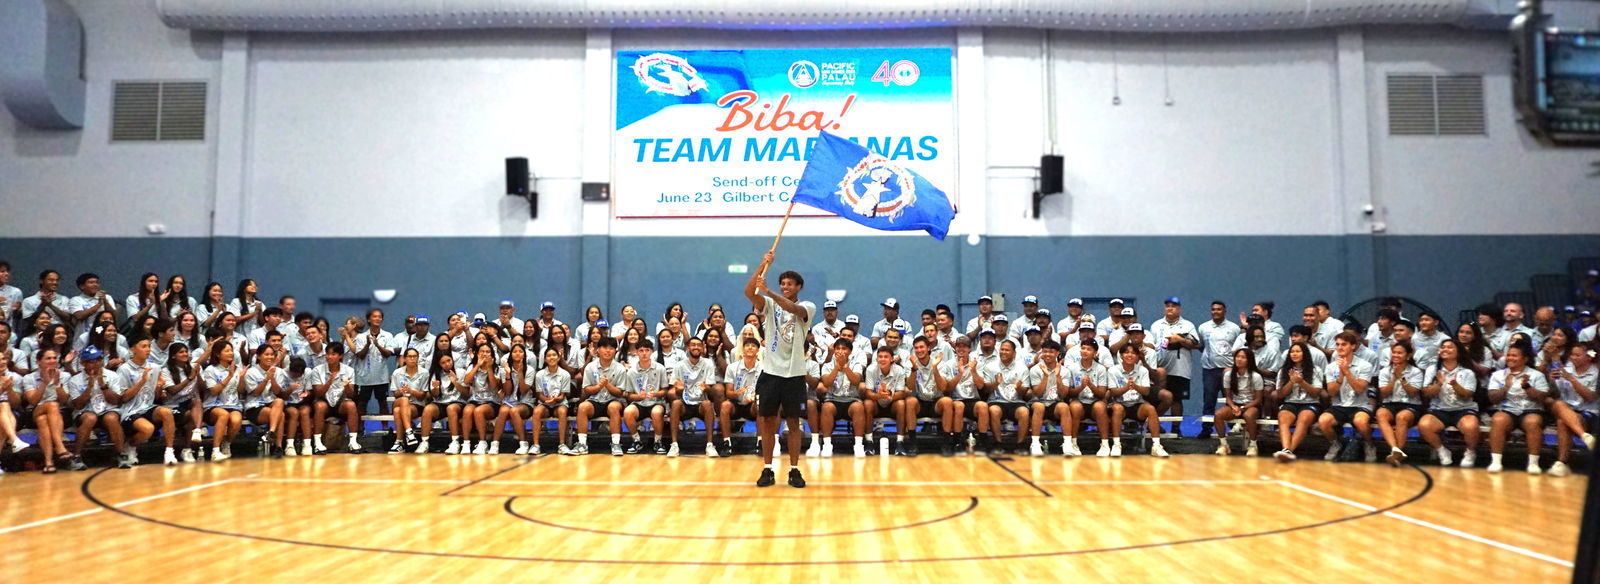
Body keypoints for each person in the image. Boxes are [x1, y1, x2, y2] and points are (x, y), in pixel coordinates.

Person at [744, 251, 813, 488]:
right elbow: (749, 292)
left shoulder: (807, 306)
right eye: (782, 283)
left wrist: (769, 291)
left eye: (789, 284)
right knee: (768, 422)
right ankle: (767, 468)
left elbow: (793, 310)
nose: (785, 287)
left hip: (794, 374)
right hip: (771, 373)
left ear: (798, 287)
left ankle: (794, 469)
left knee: (794, 423)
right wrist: (763, 264)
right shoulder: (769, 305)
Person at [1417, 338, 1481, 468]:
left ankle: (1470, 452)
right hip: (1439, 409)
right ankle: (1442, 450)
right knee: (1424, 425)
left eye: (1450, 347)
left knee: (1471, 426)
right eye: (1443, 347)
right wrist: (1439, 383)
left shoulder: (1467, 372)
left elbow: (1467, 395)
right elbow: (1426, 393)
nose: (1445, 349)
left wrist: (1455, 385)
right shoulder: (1432, 369)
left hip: (1463, 409)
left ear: (1458, 352)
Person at [1486, 344, 1549, 474]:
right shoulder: (1498, 375)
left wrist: (1527, 387)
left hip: (1531, 410)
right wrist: (1505, 387)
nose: (1510, 358)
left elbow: (1542, 398)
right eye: (1508, 355)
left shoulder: (1536, 375)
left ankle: (1533, 463)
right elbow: (1492, 398)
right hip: (1507, 410)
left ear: (1525, 359)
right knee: (1498, 419)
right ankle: (1496, 462)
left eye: (1514, 355)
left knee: (1532, 422)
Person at [1317, 332, 1378, 463]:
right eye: (1337, 344)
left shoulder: (1365, 365)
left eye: (1344, 344)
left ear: (1353, 346)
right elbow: (1331, 393)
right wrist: (1340, 375)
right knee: (1323, 421)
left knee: (1361, 421)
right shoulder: (1331, 367)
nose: (1339, 347)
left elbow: (1360, 389)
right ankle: (1335, 444)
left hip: (1361, 404)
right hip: (1339, 404)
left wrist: (1347, 372)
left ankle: (1369, 444)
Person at [1546, 343, 1597, 477]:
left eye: (1577, 355)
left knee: (1562, 421)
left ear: (1589, 357)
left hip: (1588, 413)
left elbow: (1590, 397)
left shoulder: (1596, 373)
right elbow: (1555, 393)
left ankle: (1562, 463)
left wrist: (1571, 379)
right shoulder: (1566, 369)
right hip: (1567, 409)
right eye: (1572, 354)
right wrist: (1552, 381)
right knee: (1559, 405)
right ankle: (1584, 437)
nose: (1573, 358)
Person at [1149, 297, 1199, 434]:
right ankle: (1154, 425)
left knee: (1177, 400)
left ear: (1179, 309)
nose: (1170, 308)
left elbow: (1194, 344)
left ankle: (1176, 429)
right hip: (1160, 368)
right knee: (1158, 398)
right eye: (1167, 306)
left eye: (1174, 306)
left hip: (1180, 368)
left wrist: (1180, 339)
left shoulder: (1188, 325)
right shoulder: (1156, 325)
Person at [65, 346, 120, 471]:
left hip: (108, 409)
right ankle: (77, 456)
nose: (96, 364)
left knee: (111, 418)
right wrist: (89, 387)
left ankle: (121, 454)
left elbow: (116, 401)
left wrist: (103, 385)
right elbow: (78, 405)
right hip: (85, 412)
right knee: (90, 417)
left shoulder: (112, 376)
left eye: (98, 360)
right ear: (83, 363)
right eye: (91, 361)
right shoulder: (75, 380)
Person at [1374, 340, 1425, 466]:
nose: (1396, 355)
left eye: (1399, 353)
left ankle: (1398, 453)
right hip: (1390, 403)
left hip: (1411, 405)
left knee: (1401, 417)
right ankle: (1395, 450)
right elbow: (1384, 393)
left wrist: (1401, 378)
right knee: (1381, 414)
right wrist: (1393, 378)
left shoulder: (1415, 372)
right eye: (1394, 353)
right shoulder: (1385, 371)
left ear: (1408, 356)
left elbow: (1413, 393)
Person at [1272, 342, 1325, 462]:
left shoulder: (1315, 370)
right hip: (1290, 402)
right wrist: (1291, 382)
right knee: (1283, 418)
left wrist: (1301, 382)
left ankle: (1288, 450)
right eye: (1292, 351)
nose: (1294, 354)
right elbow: (1280, 394)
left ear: (1304, 353)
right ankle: (1286, 450)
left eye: (1298, 351)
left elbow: (1316, 393)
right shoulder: (1283, 370)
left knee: (1304, 419)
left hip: (1310, 403)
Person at [576, 336, 627, 456]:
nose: (608, 351)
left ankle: (616, 444)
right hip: (596, 399)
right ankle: (582, 444)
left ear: (616, 351)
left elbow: (620, 392)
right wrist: (599, 387)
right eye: (604, 347)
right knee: (583, 407)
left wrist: (607, 385)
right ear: (598, 350)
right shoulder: (590, 367)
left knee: (613, 407)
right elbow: (586, 389)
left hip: (614, 400)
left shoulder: (620, 368)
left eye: (611, 348)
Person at [669, 336, 718, 458]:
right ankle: (674, 444)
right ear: (687, 348)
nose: (695, 347)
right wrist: (678, 391)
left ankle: (710, 445)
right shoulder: (679, 365)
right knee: (675, 404)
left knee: (707, 404)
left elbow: (711, 391)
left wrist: (706, 388)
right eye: (693, 345)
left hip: (701, 403)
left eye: (698, 345)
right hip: (685, 404)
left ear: (702, 347)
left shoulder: (708, 363)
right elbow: (671, 391)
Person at [310, 342, 360, 454]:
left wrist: (347, 386)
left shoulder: (349, 370)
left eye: (333, 354)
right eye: (327, 354)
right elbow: (318, 393)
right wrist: (329, 381)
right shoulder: (317, 370)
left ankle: (353, 442)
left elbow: (351, 395)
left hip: (340, 403)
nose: (329, 357)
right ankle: (318, 443)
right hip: (325, 402)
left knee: (351, 405)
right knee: (319, 406)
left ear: (340, 356)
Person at [1212, 348, 1263, 456]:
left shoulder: (1256, 376)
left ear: (1249, 360)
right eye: (1237, 357)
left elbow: (1258, 399)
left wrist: (1243, 408)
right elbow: (1228, 397)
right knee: (1218, 415)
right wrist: (1233, 406)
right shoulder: (1228, 375)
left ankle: (1253, 445)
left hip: (1251, 405)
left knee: (1249, 416)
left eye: (1243, 357)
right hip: (1234, 404)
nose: (1239, 359)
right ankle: (1224, 445)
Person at [200, 340, 245, 461]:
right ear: (218, 354)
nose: (231, 353)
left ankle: (227, 443)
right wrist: (229, 376)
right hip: (213, 405)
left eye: (231, 350)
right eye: (227, 351)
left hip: (233, 404)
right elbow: (214, 391)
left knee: (236, 420)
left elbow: (240, 390)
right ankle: (215, 450)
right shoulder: (211, 370)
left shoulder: (237, 368)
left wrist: (240, 378)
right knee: (223, 415)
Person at [622, 338, 670, 454]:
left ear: (652, 352)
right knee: (628, 412)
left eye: (647, 350)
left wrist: (656, 394)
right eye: (641, 350)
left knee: (656, 412)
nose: (644, 353)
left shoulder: (660, 368)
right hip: (639, 403)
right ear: (636, 352)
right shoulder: (632, 372)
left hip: (656, 402)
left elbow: (665, 390)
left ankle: (658, 441)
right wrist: (639, 396)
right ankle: (637, 440)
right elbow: (628, 395)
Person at [243, 345, 288, 458]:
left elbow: (277, 392)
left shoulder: (279, 371)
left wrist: (272, 377)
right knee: (281, 415)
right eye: (266, 354)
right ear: (258, 356)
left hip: (271, 403)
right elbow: (256, 393)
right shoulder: (251, 372)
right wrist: (266, 378)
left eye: (272, 354)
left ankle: (271, 432)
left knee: (279, 401)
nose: (270, 357)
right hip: (255, 406)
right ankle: (278, 447)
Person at [1026, 340, 1069, 457]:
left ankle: (1067, 443)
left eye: (1051, 352)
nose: (1047, 354)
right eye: (1045, 351)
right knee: (1039, 406)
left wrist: (1058, 376)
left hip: (1055, 403)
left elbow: (1063, 395)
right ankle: (1035, 443)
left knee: (1064, 407)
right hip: (1037, 402)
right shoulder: (1035, 369)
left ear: (1057, 353)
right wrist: (1045, 376)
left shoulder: (1064, 371)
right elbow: (1038, 394)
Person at [419, 352, 466, 454]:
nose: (447, 364)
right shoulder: (435, 374)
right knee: (428, 409)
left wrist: (455, 382)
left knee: (451, 408)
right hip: (440, 403)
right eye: (443, 362)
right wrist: (435, 389)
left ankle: (455, 442)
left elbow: (466, 393)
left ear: (452, 360)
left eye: (449, 360)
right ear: (439, 364)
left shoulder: (461, 372)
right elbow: (433, 396)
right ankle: (424, 442)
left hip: (457, 403)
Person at [491, 343, 535, 454]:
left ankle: (523, 443)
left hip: (525, 402)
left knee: (514, 411)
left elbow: (524, 389)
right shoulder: (504, 369)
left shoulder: (529, 370)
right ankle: (495, 444)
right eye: (515, 351)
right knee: (503, 410)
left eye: (520, 351)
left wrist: (520, 373)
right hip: (509, 400)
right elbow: (508, 391)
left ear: (524, 355)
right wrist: (507, 374)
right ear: (511, 355)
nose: (517, 354)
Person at [461, 342, 501, 455]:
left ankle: (483, 443)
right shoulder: (472, 366)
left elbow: (494, 386)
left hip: (492, 401)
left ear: (492, 355)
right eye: (482, 351)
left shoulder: (496, 368)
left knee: (479, 411)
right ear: (477, 354)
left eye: (487, 352)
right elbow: (466, 381)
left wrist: (489, 368)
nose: (484, 354)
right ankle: (466, 443)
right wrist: (478, 365)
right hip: (475, 399)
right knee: (467, 410)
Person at [531, 347, 572, 455]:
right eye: (548, 355)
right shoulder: (539, 374)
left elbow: (563, 395)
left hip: (560, 402)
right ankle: (535, 445)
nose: (551, 357)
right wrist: (547, 400)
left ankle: (562, 444)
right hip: (545, 403)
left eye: (554, 355)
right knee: (536, 412)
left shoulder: (565, 374)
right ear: (545, 359)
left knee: (562, 412)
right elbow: (539, 394)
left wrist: (556, 399)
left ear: (558, 358)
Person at [389, 348, 430, 453]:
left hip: (416, 405)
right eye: (410, 356)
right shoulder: (397, 373)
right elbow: (395, 394)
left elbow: (423, 396)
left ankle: (399, 442)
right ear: (404, 359)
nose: (412, 359)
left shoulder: (424, 373)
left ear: (418, 358)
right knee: (403, 400)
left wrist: (411, 391)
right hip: (400, 401)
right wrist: (402, 391)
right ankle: (409, 432)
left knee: (398, 411)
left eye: (414, 356)